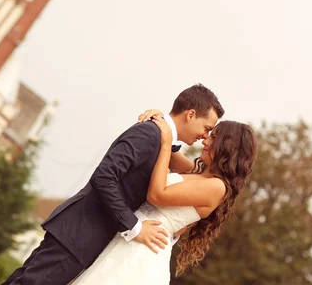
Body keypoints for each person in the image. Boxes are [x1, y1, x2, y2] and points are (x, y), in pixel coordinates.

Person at [2, 84, 224, 285]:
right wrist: (134, 227)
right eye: (206, 127)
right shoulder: (149, 134)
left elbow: (189, 170)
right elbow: (104, 177)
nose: (205, 136)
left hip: (82, 237)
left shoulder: (161, 140)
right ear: (191, 114)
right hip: (80, 234)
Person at [71, 113, 258, 283]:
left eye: (213, 136)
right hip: (132, 239)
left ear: (228, 146)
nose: (205, 140)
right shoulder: (197, 172)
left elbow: (157, 195)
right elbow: (166, 144)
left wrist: (167, 144)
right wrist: (161, 118)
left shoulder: (217, 187)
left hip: (144, 251)